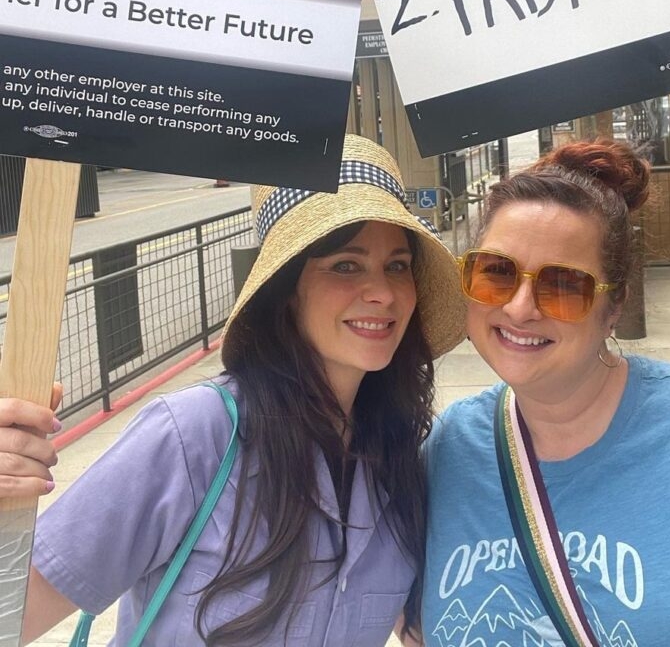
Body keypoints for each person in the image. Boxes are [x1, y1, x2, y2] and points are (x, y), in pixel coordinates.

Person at [0, 134, 466, 645]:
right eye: (345, 265)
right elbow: (11, 612)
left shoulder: (399, 453)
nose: (382, 292)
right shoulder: (193, 437)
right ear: (286, 291)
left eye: (397, 266)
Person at [421, 138, 670, 647]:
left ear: (614, 307)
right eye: (496, 272)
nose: (519, 309)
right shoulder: (449, 450)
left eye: (563, 284)